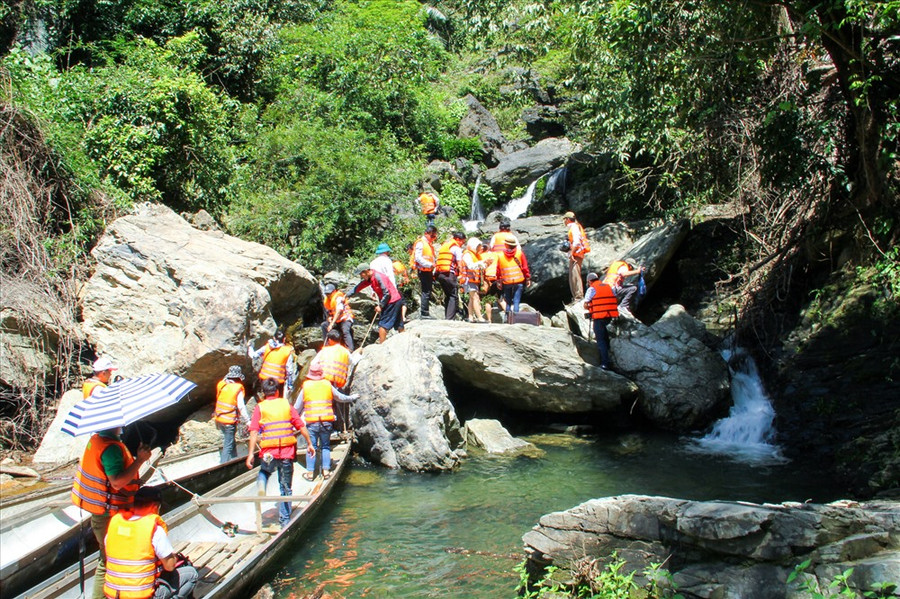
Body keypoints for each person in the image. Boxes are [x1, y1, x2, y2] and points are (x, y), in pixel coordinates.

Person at [71, 427, 153, 599]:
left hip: (103, 513)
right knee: (109, 561)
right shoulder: (111, 448)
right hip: (110, 516)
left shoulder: (98, 440)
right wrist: (140, 461)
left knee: (108, 558)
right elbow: (116, 483)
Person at [103, 485, 199, 599]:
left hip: (114, 595)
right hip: (141, 596)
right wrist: (173, 557)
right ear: (155, 507)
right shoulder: (154, 530)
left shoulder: (115, 525)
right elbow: (169, 566)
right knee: (191, 574)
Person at [245, 378, 314, 529]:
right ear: (277, 391)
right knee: (285, 487)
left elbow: (254, 431)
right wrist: (309, 443)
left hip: (269, 451)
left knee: (265, 470)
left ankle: (263, 481)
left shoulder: (260, 408)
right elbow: (300, 425)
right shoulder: (286, 405)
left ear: (264, 393)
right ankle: (284, 521)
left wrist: (250, 454)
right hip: (286, 452)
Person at [294, 363, 358, 480]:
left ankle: (310, 473)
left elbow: (297, 408)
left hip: (311, 423)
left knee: (311, 446)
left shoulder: (306, 386)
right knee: (325, 446)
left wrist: (292, 422)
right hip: (326, 422)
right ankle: (326, 471)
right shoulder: (327, 385)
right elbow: (340, 397)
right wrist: (352, 397)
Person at [353, 262, 404, 343]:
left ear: (366, 271)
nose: (361, 276)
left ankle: (382, 345)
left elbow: (387, 293)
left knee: (383, 324)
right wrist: (347, 295)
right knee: (399, 322)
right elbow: (360, 286)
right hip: (396, 300)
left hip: (392, 301)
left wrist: (380, 306)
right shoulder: (370, 278)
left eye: (361, 274)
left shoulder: (378, 277)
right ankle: (404, 339)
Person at [214, 365, 250, 463]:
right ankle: (223, 465)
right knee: (228, 445)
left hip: (219, 419)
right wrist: (248, 421)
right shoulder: (236, 388)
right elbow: (241, 407)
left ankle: (234, 459)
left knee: (230, 440)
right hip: (229, 421)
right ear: (238, 378)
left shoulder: (222, 385)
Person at [583, 272, 619, 370]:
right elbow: (614, 297)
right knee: (605, 335)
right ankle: (609, 357)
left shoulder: (591, 289)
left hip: (599, 317)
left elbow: (585, 304)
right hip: (609, 316)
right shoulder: (608, 286)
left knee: (601, 340)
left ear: (589, 281)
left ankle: (605, 363)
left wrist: (591, 306)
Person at [248, 330, 295, 398]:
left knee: (266, 399)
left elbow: (253, 355)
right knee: (277, 401)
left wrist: (250, 347)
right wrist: (290, 386)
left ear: (274, 338)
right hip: (278, 382)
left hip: (265, 380)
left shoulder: (267, 347)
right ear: (284, 339)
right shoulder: (287, 351)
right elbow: (289, 371)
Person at [434, 231, 466, 320]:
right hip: (449, 274)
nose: (462, 244)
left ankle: (447, 316)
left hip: (440, 274)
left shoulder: (445, 246)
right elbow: (459, 263)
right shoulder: (456, 248)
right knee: (453, 295)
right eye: (462, 242)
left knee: (448, 295)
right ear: (458, 239)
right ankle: (450, 319)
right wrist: (462, 275)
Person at [497, 237, 531, 319]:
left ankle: (507, 318)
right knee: (516, 301)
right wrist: (528, 278)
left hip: (507, 281)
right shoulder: (519, 253)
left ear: (506, 245)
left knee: (508, 302)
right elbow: (525, 267)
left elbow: (498, 270)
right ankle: (515, 318)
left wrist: (499, 281)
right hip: (518, 280)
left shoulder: (500, 255)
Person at [460, 237, 490, 322]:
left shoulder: (475, 256)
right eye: (478, 247)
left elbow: (480, 267)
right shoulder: (467, 254)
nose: (479, 248)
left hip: (473, 280)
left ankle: (470, 317)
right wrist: (481, 263)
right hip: (468, 280)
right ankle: (480, 318)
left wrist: (486, 263)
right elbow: (471, 265)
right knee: (475, 298)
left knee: (471, 299)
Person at [563, 211, 590, 301]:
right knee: (572, 276)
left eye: (565, 219)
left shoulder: (574, 227)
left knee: (575, 275)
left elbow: (577, 241)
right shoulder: (574, 227)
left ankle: (578, 296)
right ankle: (576, 296)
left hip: (577, 254)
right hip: (576, 253)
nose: (564, 221)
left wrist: (571, 252)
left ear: (567, 219)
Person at [413, 225, 438, 318]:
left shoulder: (428, 244)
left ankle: (425, 312)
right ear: (426, 234)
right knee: (426, 291)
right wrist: (429, 264)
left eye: (434, 236)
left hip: (428, 270)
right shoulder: (421, 243)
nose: (433, 238)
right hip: (423, 270)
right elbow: (418, 258)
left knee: (427, 291)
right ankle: (424, 313)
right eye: (432, 236)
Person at [322, 283, 355, 351]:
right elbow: (329, 313)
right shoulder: (327, 301)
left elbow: (338, 311)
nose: (328, 295)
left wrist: (332, 324)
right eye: (326, 294)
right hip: (337, 321)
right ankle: (327, 347)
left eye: (329, 293)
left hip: (345, 318)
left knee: (345, 329)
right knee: (324, 325)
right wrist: (329, 318)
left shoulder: (338, 298)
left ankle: (350, 349)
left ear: (334, 291)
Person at [480, 242, 506, 322]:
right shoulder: (496, 255)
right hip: (498, 279)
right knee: (501, 299)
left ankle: (489, 320)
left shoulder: (481, 256)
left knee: (488, 300)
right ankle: (510, 317)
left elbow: (481, 270)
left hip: (489, 280)